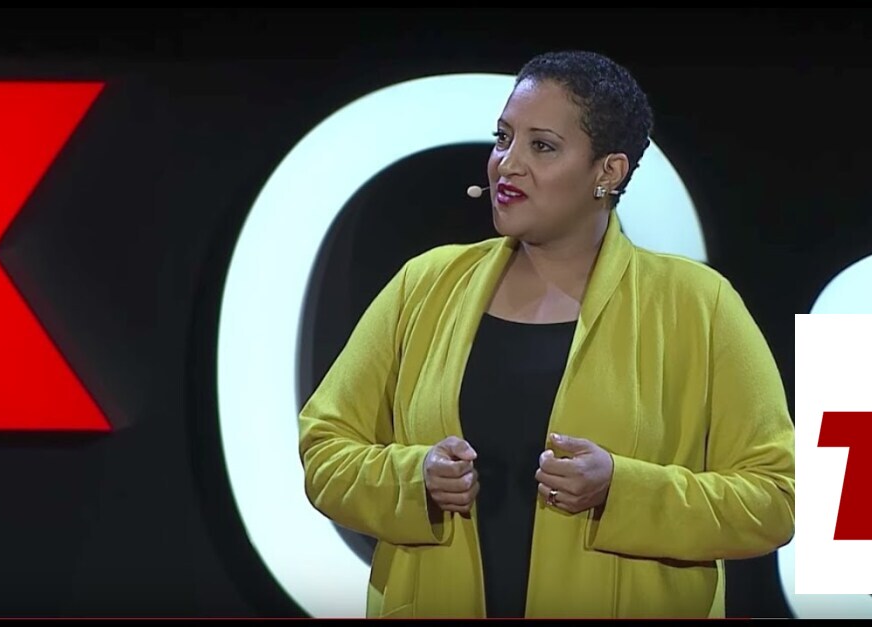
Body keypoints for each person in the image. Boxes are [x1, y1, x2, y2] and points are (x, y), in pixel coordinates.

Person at [298, 50, 795, 619]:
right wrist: (415, 479)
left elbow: (774, 498)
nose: (507, 164)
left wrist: (623, 489)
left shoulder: (698, 305)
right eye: (503, 138)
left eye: (543, 146)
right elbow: (326, 449)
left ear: (608, 172)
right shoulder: (424, 285)